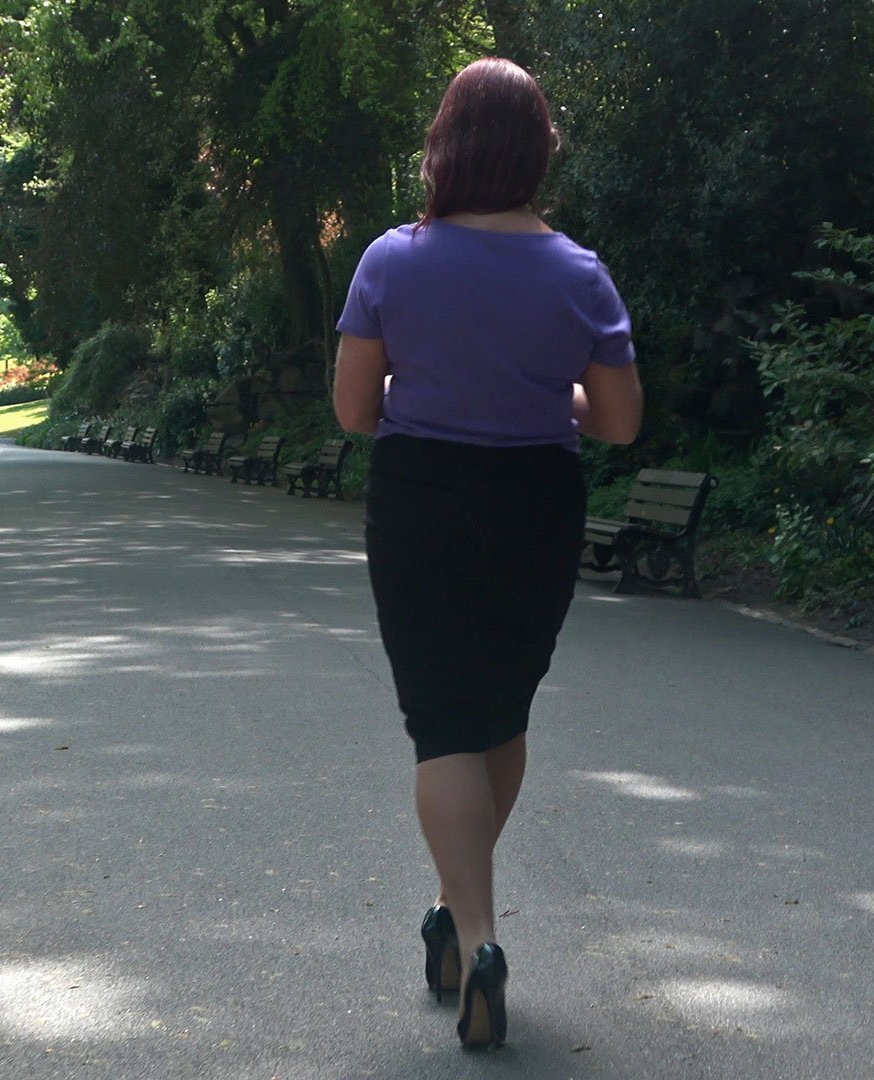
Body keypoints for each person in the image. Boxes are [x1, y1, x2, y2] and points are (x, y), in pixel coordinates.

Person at [333, 56, 642, 1050]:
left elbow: (354, 410)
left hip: (420, 500)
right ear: (540, 150)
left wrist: (427, 388)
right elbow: (619, 422)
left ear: (446, 146)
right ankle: (456, 920)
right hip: (534, 507)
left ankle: (475, 939)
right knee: (499, 712)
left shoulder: (391, 261)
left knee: (442, 724)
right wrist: (552, 391)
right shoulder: (579, 274)